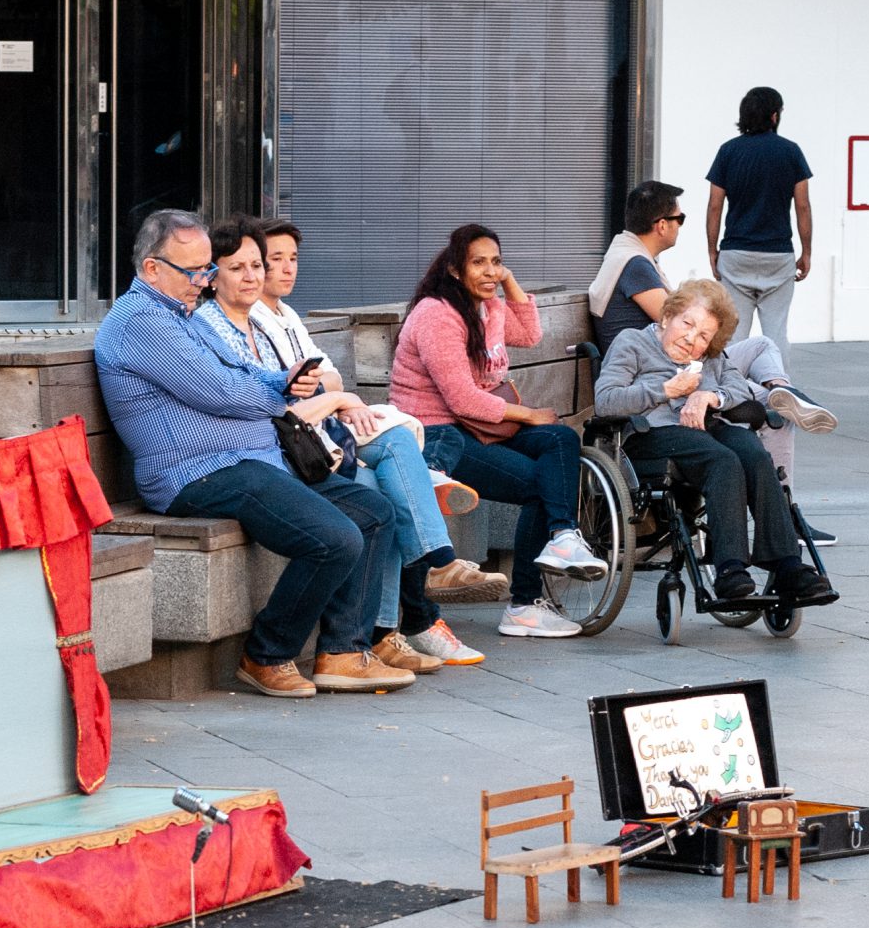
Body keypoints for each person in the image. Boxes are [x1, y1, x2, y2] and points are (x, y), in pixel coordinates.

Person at [94, 208, 414, 698]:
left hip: (255, 462)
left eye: (206, 269)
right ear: (152, 268)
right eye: (194, 271)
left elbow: (242, 373)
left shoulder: (181, 314)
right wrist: (284, 395)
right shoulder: (141, 322)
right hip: (194, 474)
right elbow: (220, 391)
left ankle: (343, 652)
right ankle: (266, 655)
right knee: (334, 538)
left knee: (373, 512)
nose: (204, 281)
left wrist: (286, 380)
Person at [251, 217, 504, 666]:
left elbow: (327, 375)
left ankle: (386, 628)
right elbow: (289, 396)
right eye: (275, 260)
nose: (288, 269)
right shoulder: (250, 317)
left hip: (324, 428)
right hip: (294, 443)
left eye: (294, 259)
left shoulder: (286, 315)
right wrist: (334, 396)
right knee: (387, 485)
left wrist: (329, 393)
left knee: (393, 469)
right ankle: (431, 564)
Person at [389, 223, 606, 640]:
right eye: (479, 263)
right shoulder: (437, 314)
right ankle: (524, 603)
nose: (490, 271)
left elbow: (530, 333)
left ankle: (563, 536)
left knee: (561, 440)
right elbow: (461, 400)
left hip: (481, 426)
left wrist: (507, 281)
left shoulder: (488, 308)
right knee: (542, 482)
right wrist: (528, 414)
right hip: (438, 431)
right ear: (455, 269)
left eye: (496, 262)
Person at [594, 279, 836, 609]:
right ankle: (730, 569)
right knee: (722, 459)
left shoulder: (711, 357)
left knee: (753, 453)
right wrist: (666, 391)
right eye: (687, 323)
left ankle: (787, 565)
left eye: (703, 336)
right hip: (651, 434)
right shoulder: (632, 343)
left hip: (706, 429)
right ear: (667, 316)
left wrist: (710, 396)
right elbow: (606, 400)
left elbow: (740, 388)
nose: (691, 339)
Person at [705, 86, 814, 359]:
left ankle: (730, 383)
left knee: (733, 332)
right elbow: (802, 206)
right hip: (778, 254)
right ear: (774, 116)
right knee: (776, 333)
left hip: (735, 253)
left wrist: (712, 250)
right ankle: (778, 383)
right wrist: (806, 252)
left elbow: (715, 206)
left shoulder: (728, 151)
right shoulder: (791, 151)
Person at [725, 332, 841, 544]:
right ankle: (784, 519)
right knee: (777, 412)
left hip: (701, 360)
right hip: (676, 371)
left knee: (762, 344)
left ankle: (782, 388)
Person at [587, 179, 685, 354]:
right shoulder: (635, 265)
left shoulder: (626, 255)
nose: (680, 226)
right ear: (662, 225)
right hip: (643, 365)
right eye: (680, 218)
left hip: (646, 359)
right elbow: (675, 325)